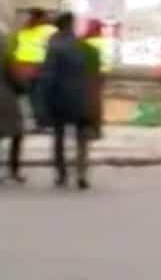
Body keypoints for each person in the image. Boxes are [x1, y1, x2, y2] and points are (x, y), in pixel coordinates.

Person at [31, 13, 95, 190]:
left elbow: (48, 76)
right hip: (80, 97)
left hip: (59, 97)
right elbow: (90, 73)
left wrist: (42, 100)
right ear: (70, 24)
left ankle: (61, 174)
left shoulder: (54, 46)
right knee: (81, 137)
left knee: (59, 136)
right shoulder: (81, 46)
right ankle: (81, 173)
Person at [0, 23, 22, 184]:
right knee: (16, 133)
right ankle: (13, 171)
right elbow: (14, 77)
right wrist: (23, 87)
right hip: (5, 98)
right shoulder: (6, 56)